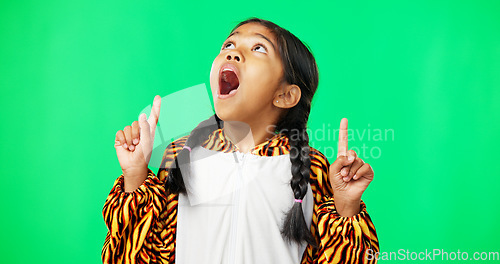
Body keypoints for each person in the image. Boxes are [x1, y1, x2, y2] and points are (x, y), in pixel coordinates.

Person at [103, 17, 379, 264]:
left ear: (285, 95)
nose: (233, 52)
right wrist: (136, 174)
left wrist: (345, 205)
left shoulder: (312, 168)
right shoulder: (181, 155)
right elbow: (142, 253)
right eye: (228, 45)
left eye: (258, 48)